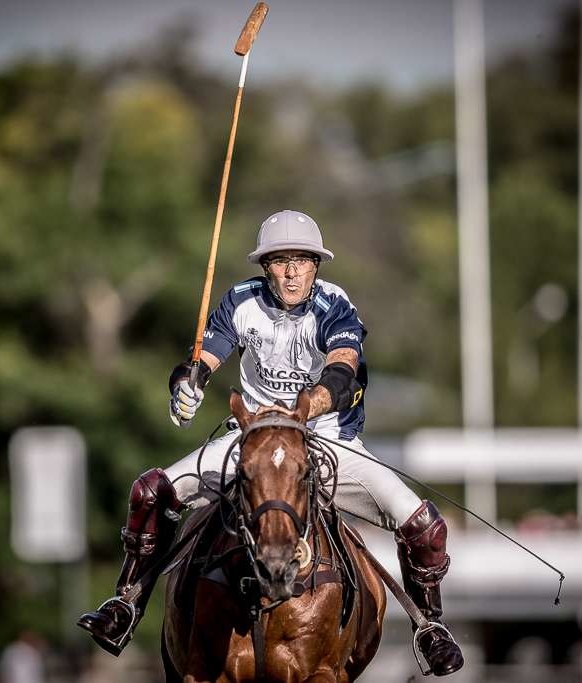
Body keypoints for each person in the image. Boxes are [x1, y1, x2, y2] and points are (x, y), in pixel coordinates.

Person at [77, 210, 464, 676]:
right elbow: (208, 352)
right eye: (280, 261)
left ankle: (429, 624)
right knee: (150, 491)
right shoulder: (241, 301)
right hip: (253, 440)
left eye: (302, 261)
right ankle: (127, 603)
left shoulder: (334, 305)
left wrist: (303, 409)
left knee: (423, 526)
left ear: (316, 265)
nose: (292, 272)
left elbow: (343, 372)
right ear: (266, 266)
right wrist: (190, 381)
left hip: (327, 439)